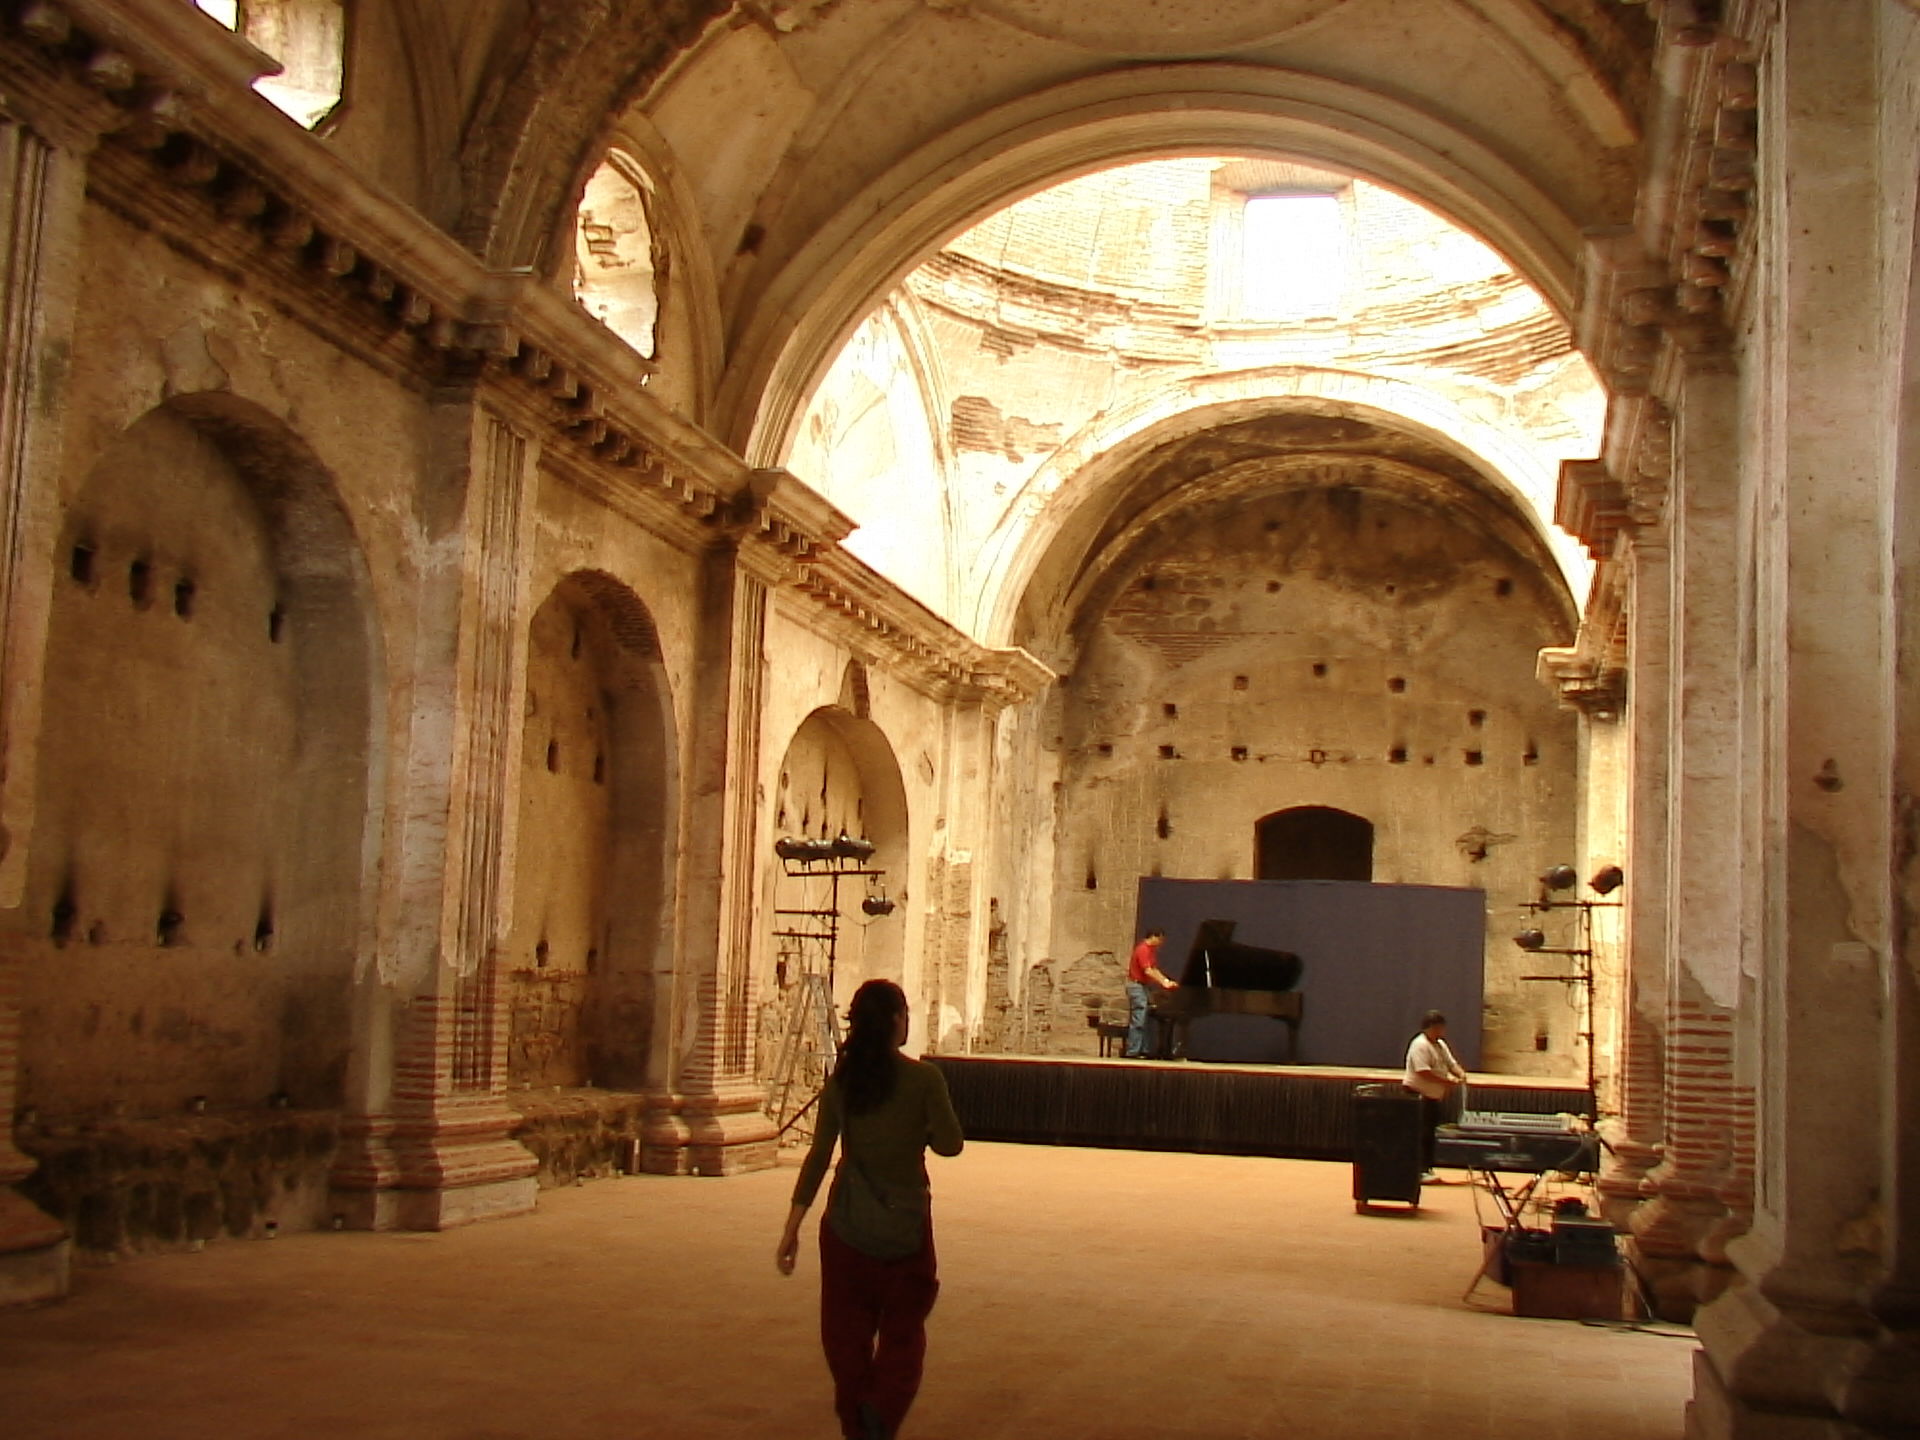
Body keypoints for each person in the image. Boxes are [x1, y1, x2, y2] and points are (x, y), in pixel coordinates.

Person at [777, 980, 964, 1440]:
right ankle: (882, 1409)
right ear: (897, 1021)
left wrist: (792, 1227)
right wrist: (918, 1128)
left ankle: (857, 1425)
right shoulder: (925, 1079)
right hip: (905, 1226)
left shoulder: (843, 1082)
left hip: (847, 1224)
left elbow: (819, 1155)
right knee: (903, 1333)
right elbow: (951, 1144)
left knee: (845, 1338)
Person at [1402, 1009, 1469, 1179]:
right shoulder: (1420, 1045)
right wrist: (1447, 1082)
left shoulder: (1440, 1044)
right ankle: (1418, 1170)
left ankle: (1427, 1167)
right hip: (1417, 1095)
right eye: (1438, 1028)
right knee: (1420, 1132)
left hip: (1433, 1097)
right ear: (1428, 1028)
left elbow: (1450, 1063)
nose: (1441, 1032)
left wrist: (1460, 1073)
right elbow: (1423, 1071)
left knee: (1429, 1132)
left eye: (1442, 1028)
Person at [1123, 929, 1179, 1058]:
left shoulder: (1151, 951)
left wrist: (1166, 980)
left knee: (1145, 1016)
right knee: (1139, 1017)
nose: (1161, 943)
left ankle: (1143, 1050)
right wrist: (1163, 983)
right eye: (1160, 939)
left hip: (1143, 986)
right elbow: (1148, 970)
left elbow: (1154, 969)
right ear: (1153, 936)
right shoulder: (1143, 949)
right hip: (1136, 985)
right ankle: (1133, 1051)